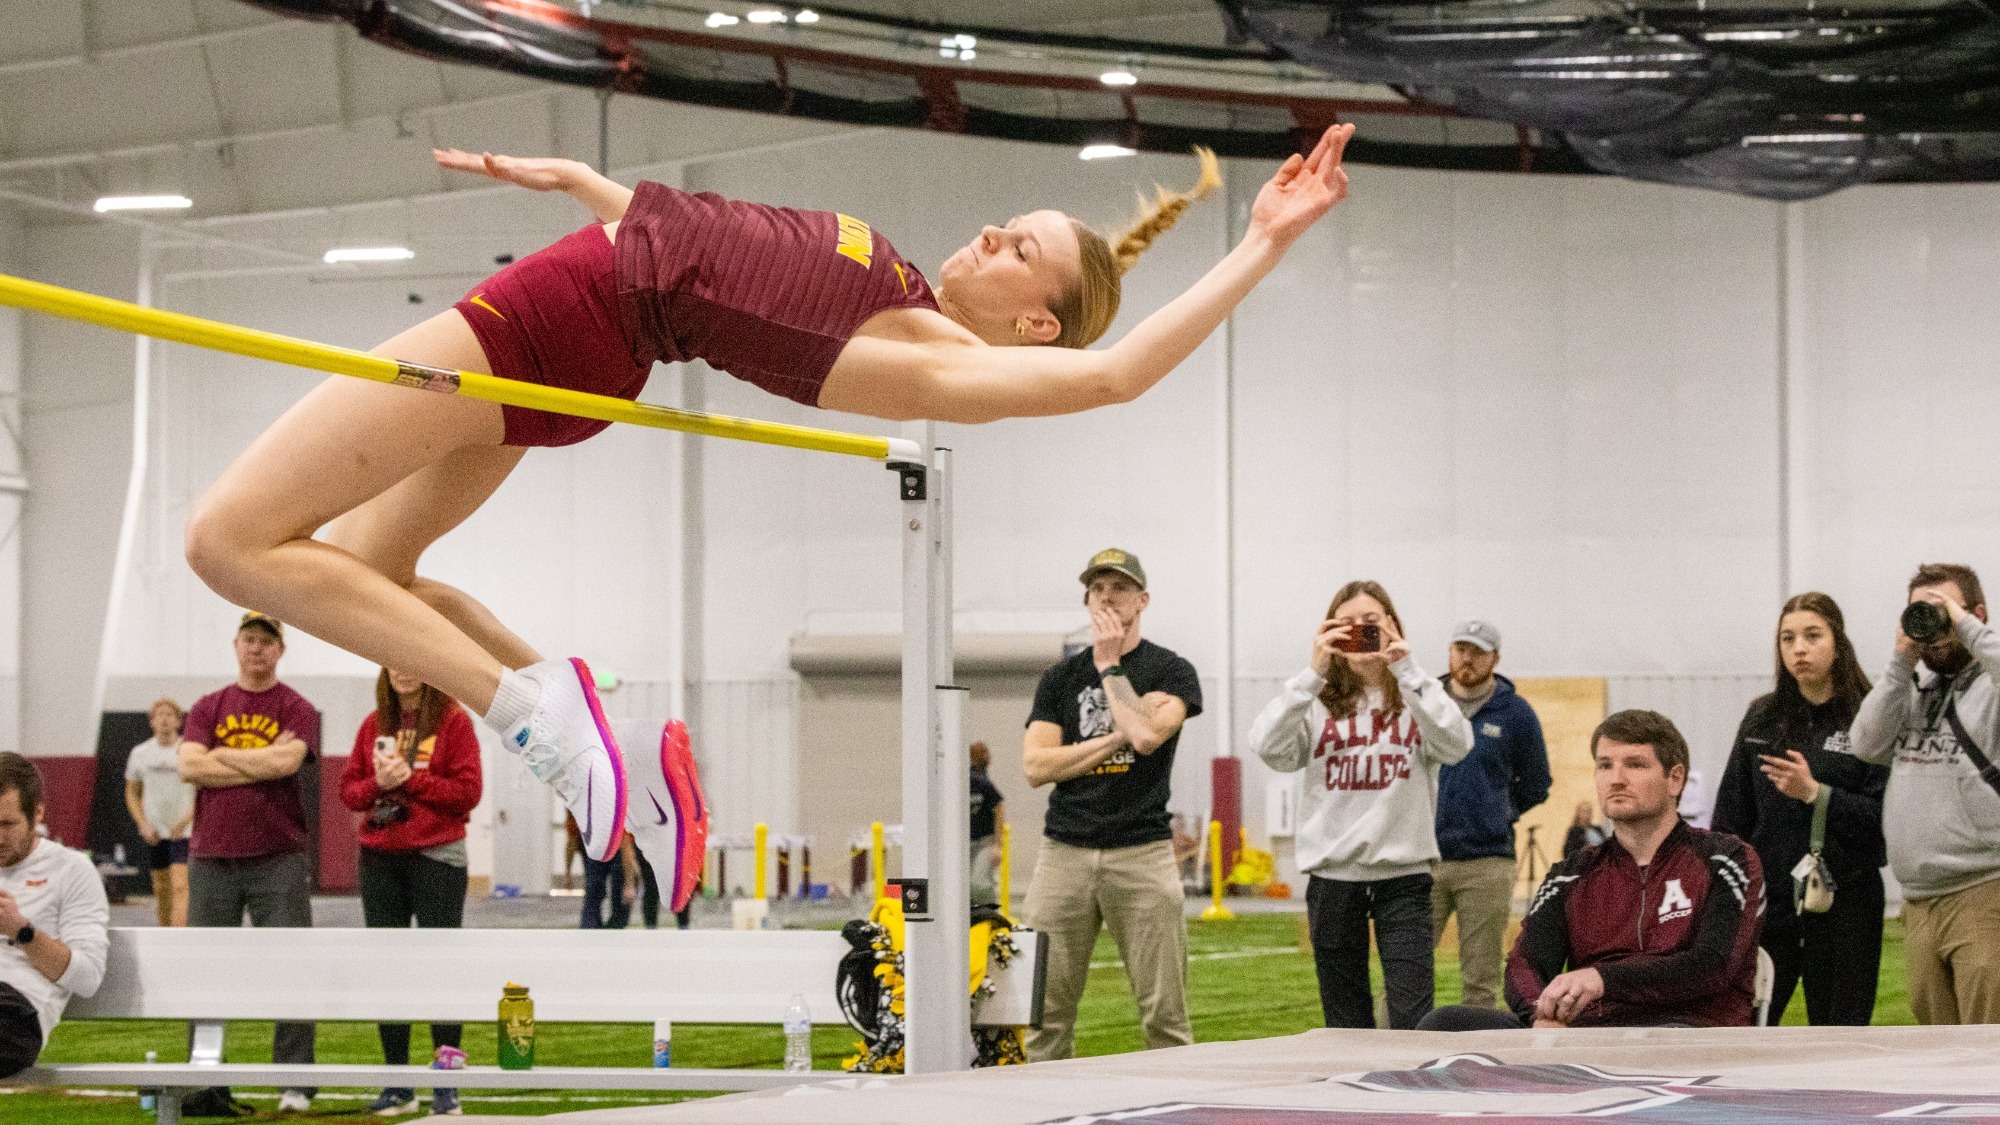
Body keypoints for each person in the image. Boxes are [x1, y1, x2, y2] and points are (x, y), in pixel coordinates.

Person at [175, 126, 1353, 903]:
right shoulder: (895, 282)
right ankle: (607, 735)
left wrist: (1259, 242)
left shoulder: (939, 365)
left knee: (227, 541)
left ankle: (533, 716)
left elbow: (1119, 373)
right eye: (1011, 221)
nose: (992, 233)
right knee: (379, 582)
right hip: (595, 324)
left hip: (563, 310)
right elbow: (730, 256)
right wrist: (597, 188)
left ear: (1033, 325)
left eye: (1019, 251)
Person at [1419, 710, 1766, 1031]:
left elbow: (1713, 965)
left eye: (1635, 765)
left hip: (1689, 1032)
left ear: (1674, 779)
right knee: (1443, 1024)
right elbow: (1525, 964)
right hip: (1590, 1036)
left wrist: (1602, 979)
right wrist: (1542, 1012)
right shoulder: (1571, 874)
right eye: (1604, 765)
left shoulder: (1727, 859)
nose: (1616, 779)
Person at [1249, 581, 1472, 1030]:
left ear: (1392, 626)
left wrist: (1406, 669)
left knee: (1414, 1017)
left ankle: (1410, 1095)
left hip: (1404, 877)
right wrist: (1313, 672)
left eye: (1371, 623)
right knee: (1344, 1017)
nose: (1360, 634)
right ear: (1327, 631)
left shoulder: (1418, 695)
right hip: (1334, 878)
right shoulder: (1314, 701)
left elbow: (1457, 745)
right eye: (1346, 625)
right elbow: (1267, 746)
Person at [1022, 549, 1202, 1061]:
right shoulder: (1059, 679)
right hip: (1065, 853)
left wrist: (1108, 666)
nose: (1106, 595)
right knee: (1043, 1014)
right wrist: (1115, 738)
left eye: (1119, 587)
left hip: (1141, 852)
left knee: (1165, 1016)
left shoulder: (1170, 670)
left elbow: (1146, 738)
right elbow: (1036, 768)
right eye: (1097, 588)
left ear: (1143, 600)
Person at [1712, 592, 1887, 1026]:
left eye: (1813, 636)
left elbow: (1886, 823)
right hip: (1770, 905)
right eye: (1787, 639)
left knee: (1839, 1035)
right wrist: (1731, 897)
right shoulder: (1762, 719)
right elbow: (1731, 818)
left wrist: (1815, 793)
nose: (1799, 649)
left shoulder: (1871, 715)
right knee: (1745, 1028)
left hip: (1846, 902)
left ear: (1838, 641)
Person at [177, 611, 320, 1115]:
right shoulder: (207, 705)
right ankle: (204, 1082)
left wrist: (221, 756)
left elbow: (287, 764)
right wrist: (261, 758)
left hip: (278, 856)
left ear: (281, 650)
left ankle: (295, 1083)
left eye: (268, 642)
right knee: (204, 972)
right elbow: (189, 766)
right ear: (235, 644)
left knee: (292, 968)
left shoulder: (298, 707)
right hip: (212, 857)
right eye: (250, 640)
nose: (258, 649)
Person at [1847, 563, 2000, 1026]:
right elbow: (1866, 744)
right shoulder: (1914, 689)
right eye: (1920, 610)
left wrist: (1965, 626)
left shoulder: (1990, 691)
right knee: (1937, 1055)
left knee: (1987, 1047)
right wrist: (1900, 661)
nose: (1934, 625)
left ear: (1976, 614)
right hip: (1918, 899)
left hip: (1983, 892)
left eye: (1942, 611)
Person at [339, 666, 483, 1117]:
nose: (402, 670)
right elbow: (349, 791)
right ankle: (399, 1083)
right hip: (380, 859)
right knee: (389, 969)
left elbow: (468, 793)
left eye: (410, 659)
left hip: (437, 857)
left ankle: (445, 1083)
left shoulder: (454, 722)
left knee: (439, 968)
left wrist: (408, 780)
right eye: (392, 661)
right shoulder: (372, 724)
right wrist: (377, 785)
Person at [1430, 619, 1550, 1011]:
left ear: (1494, 658)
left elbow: (1537, 781)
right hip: (1420, 859)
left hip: (1487, 862)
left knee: (1480, 979)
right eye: (1461, 649)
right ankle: (1387, 1055)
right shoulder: (1423, 703)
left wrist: (1499, 811)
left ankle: (1474, 1063)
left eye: (1478, 652)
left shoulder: (1516, 713)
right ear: (1449, 652)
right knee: (1406, 972)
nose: (1467, 658)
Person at [0, 753, 108, 1079]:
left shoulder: (70, 870)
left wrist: (21, 931)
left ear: (37, 815)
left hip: (16, 1011)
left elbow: (87, 978)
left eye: (8, 824)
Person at [123, 698, 196, 927]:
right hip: (155, 831)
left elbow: (203, 791)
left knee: (180, 885)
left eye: (169, 715)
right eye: (159, 715)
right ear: (152, 722)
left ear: (178, 721)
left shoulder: (188, 751)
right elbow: (132, 793)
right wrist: (143, 823)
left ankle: (179, 936)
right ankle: (165, 934)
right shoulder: (141, 753)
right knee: (162, 888)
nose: (164, 720)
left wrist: (185, 822)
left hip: (183, 832)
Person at [969, 741, 1005, 907]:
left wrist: (997, 844)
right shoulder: (959, 782)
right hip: (964, 844)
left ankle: (990, 917)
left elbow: (998, 807)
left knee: (980, 884)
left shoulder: (982, 783)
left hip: (984, 842)